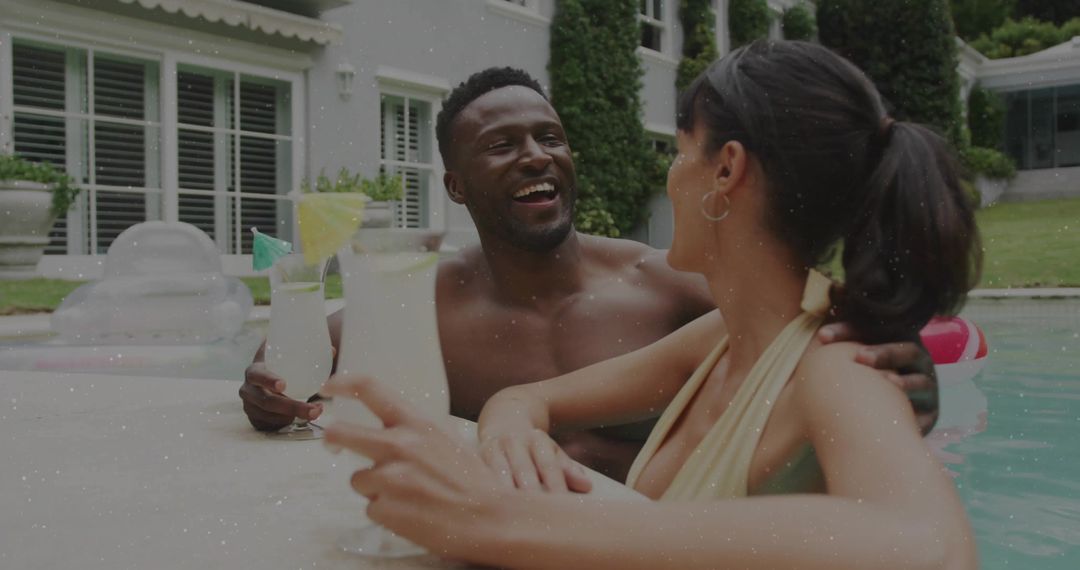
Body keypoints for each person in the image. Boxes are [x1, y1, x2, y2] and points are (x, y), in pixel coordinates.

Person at [321, 40, 980, 569]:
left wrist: (498, 520)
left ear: (726, 171)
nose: (668, 175)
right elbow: (526, 398)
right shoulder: (723, 337)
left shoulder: (839, 363)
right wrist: (510, 432)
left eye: (676, 150)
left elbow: (933, 549)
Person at [241, 66, 937, 482]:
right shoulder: (425, 302)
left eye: (550, 138)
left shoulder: (664, 286)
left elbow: (816, 330)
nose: (536, 156)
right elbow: (293, 362)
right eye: (502, 145)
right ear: (455, 187)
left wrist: (908, 372)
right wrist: (269, 391)